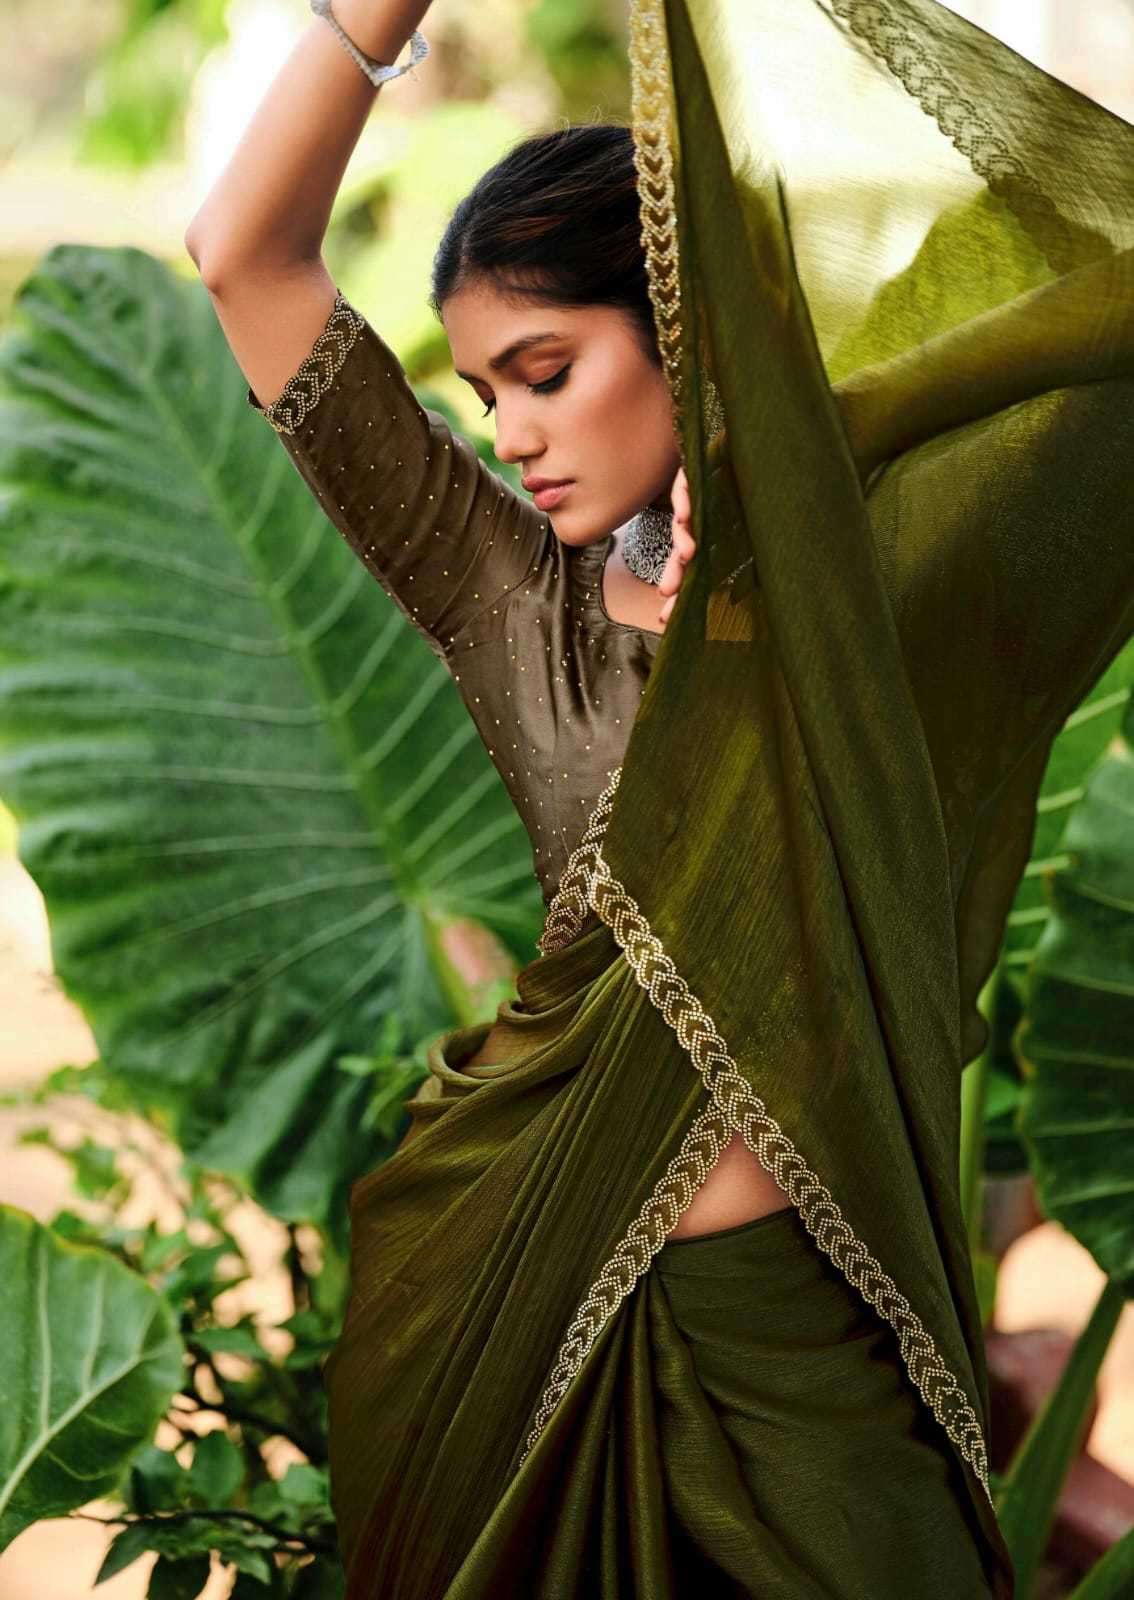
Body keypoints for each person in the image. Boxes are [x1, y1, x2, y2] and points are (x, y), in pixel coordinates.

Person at [185, 0, 1134, 1594]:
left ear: (685, 337)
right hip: (507, 1299)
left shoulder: (881, 602)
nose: (513, 436)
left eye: (545, 372)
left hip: (808, 1330)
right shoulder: (509, 600)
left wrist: (837, 432)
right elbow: (242, 259)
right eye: (486, 394)